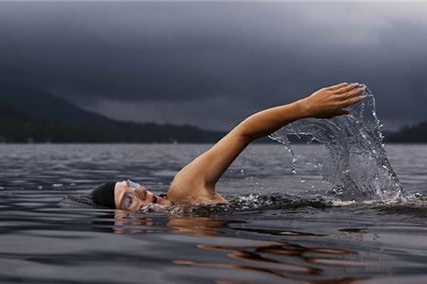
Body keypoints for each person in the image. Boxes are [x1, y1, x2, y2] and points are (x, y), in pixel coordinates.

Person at [90, 82, 366, 211]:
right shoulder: (180, 223)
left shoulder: (183, 190)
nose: (140, 191)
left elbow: (243, 132)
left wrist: (304, 107)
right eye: (128, 199)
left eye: (132, 184)